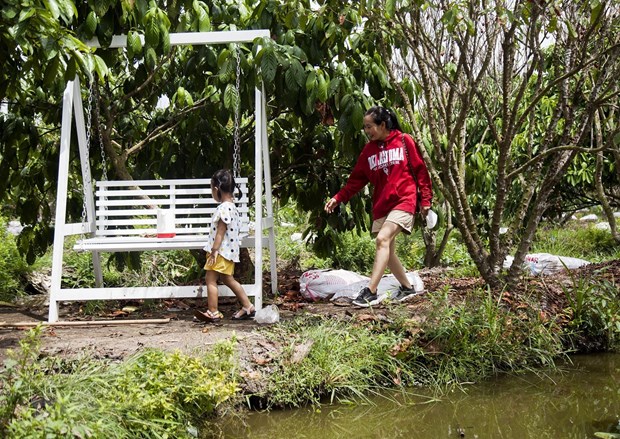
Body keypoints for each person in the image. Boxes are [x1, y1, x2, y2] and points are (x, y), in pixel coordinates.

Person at [324, 106, 432, 307]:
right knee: (388, 251)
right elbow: (356, 181)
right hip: (382, 205)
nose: (366, 131)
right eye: (364, 127)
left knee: (382, 239)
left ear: (383, 125)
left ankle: (371, 291)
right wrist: (338, 197)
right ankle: (407, 287)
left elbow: (421, 171)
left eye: (369, 126)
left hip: (404, 200)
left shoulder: (403, 141)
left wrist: (425, 200)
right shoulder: (369, 151)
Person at [194, 169, 255, 322]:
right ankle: (248, 306)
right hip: (229, 252)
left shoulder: (223, 208)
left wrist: (214, 250)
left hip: (220, 252)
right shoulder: (232, 207)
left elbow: (220, 231)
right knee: (228, 279)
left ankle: (213, 311)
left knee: (210, 280)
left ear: (216, 189)